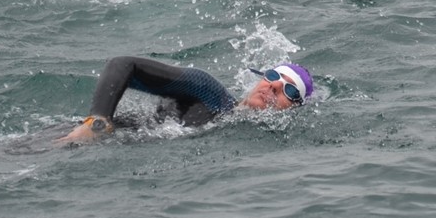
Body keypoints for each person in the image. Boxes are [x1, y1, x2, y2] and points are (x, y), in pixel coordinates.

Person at [58, 56, 314, 144]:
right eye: (274, 76)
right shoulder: (208, 92)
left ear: (292, 110)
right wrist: (96, 124)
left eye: (290, 92)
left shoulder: (235, 133)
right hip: (71, 140)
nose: (275, 87)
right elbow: (123, 65)